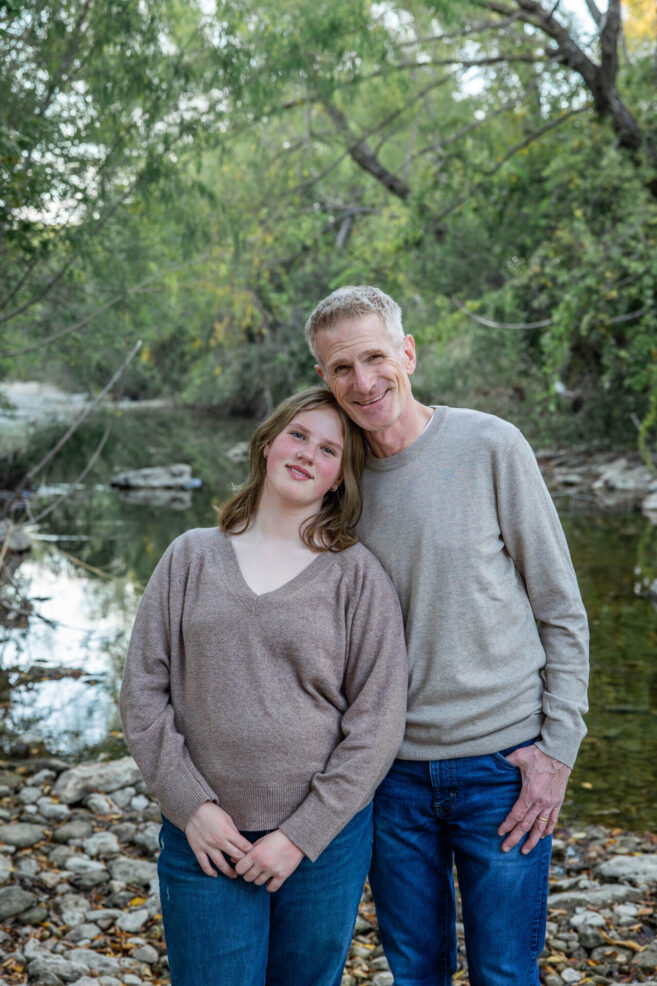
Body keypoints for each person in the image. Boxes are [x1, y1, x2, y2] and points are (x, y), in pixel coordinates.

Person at [304, 286, 590, 986]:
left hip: (501, 766)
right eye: (341, 368)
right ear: (323, 378)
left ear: (407, 353)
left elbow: (561, 608)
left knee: (503, 970)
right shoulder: (334, 477)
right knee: (417, 970)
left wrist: (557, 750)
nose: (363, 381)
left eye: (375, 357)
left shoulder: (490, 445)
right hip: (387, 774)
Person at [119, 386, 408, 986]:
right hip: (206, 840)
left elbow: (378, 723)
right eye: (298, 435)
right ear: (268, 443)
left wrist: (300, 837)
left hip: (320, 848)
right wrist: (189, 805)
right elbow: (143, 690)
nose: (307, 454)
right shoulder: (190, 557)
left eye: (328, 450)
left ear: (339, 478)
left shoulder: (358, 577)